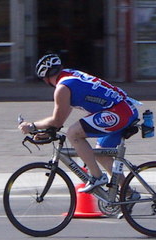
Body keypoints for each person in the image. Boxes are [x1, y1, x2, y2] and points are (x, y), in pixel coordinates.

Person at [18, 53, 139, 193]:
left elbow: (57, 120)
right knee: (100, 152)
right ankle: (128, 194)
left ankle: (97, 177)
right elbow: (60, 118)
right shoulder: (70, 75)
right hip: (125, 109)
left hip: (118, 112)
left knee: (73, 133)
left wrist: (32, 126)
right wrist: (49, 130)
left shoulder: (62, 88)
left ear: (45, 79)